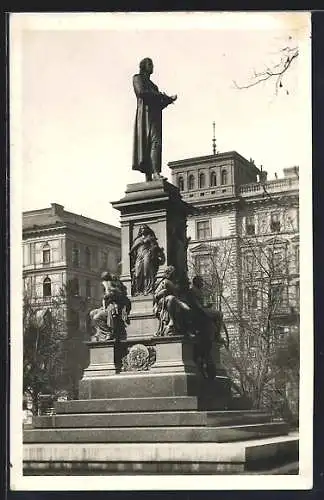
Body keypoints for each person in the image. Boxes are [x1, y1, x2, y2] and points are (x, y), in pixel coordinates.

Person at [132, 57, 177, 181]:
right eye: (150, 64)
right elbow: (141, 92)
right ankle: (150, 175)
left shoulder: (154, 86)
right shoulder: (137, 78)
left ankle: (155, 172)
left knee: (155, 143)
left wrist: (168, 101)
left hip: (155, 118)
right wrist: (162, 96)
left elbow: (159, 104)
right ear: (144, 66)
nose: (152, 67)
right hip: (145, 117)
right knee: (147, 145)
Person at [90, 272, 131, 341]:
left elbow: (112, 297)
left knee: (97, 317)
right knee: (92, 313)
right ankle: (99, 333)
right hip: (107, 307)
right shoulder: (109, 288)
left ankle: (108, 333)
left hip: (113, 308)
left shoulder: (115, 290)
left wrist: (107, 291)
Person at [153, 265, 191, 336]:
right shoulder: (164, 282)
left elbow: (178, 293)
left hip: (175, 302)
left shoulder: (175, 283)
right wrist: (161, 292)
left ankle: (187, 329)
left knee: (183, 304)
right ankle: (171, 320)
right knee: (171, 298)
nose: (173, 274)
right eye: (172, 273)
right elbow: (155, 296)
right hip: (163, 302)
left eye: (174, 273)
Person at [129, 224, 165, 295]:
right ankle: (138, 291)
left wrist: (151, 252)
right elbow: (131, 251)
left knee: (147, 273)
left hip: (146, 254)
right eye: (141, 228)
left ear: (147, 229)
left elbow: (155, 246)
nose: (143, 230)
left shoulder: (150, 238)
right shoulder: (137, 240)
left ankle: (148, 290)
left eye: (144, 228)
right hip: (139, 256)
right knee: (137, 274)